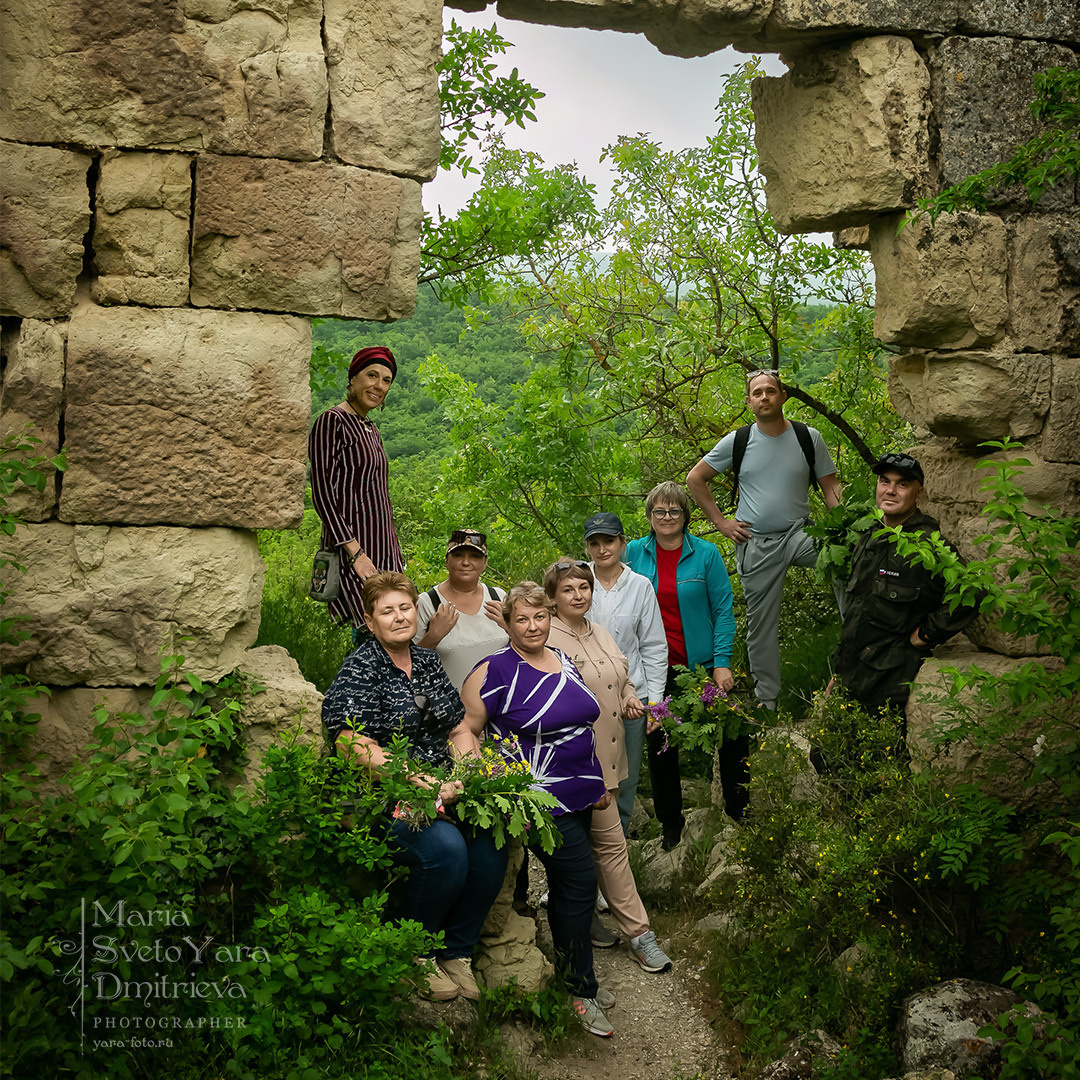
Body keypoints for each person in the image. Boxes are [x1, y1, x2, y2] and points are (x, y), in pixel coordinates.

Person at [321, 572, 508, 1003]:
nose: (399, 617)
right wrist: (414, 780)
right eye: (387, 611)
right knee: (445, 848)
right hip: (386, 794)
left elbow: (459, 727)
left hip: (445, 786)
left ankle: (457, 950)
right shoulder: (361, 668)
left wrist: (468, 773)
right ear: (371, 622)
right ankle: (417, 953)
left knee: (491, 841)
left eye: (405, 607)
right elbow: (352, 743)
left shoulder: (425, 663)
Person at [456, 583, 616, 1037]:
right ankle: (580, 990)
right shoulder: (492, 671)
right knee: (581, 880)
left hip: (580, 790)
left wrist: (598, 781)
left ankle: (573, 971)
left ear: (550, 618)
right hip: (537, 797)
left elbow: (580, 727)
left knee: (573, 889)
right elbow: (465, 731)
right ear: (505, 622)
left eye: (540, 617)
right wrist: (486, 785)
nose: (533, 626)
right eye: (521, 619)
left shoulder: (563, 659)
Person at [545, 558, 673, 975]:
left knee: (598, 849)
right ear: (553, 597)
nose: (579, 595)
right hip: (575, 765)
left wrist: (631, 698)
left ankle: (600, 923)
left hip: (611, 757)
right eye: (568, 589)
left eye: (584, 587)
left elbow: (622, 677)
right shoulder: (548, 638)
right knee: (601, 849)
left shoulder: (600, 632)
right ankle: (639, 933)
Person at [686, 368, 841, 711]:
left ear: (783, 396)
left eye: (771, 391)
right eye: (757, 393)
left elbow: (830, 488)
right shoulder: (738, 441)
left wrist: (847, 526)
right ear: (749, 401)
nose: (765, 397)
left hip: (801, 534)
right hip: (757, 542)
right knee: (761, 627)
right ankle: (767, 701)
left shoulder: (807, 437)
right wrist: (721, 522)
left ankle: (854, 655)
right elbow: (696, 478)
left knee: (847, 561)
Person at [626, 482, 737, 847]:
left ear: (686, 515)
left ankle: (739, 814)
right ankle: (670, 825)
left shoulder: (705, 554)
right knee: (660, 742)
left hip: (701, 667)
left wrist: (722, 663)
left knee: (731, 734)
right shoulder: (633, 553)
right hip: (655, 668)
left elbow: (723, 611)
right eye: (660, 511)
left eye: (674, 510)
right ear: (649, 516)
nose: (667, 517)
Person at [832, 453, 980, 718]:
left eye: (902, 484)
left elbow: (971, 590)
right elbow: (855, 612)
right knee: (826, 757)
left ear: (918, 492)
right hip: (851, 675)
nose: (890, 490)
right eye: (884, 481)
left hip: (889, 682)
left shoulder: (929, 545)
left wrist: (926, 634)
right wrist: (838, 672)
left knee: (879, 757)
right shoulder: (870, 538)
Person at [582, 512, 667, 833]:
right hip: (586, 694)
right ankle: (590, 839)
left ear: (623, 543)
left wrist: (655, 703)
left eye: (609, 541)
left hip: (634, 694)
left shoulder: (640, 586)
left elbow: (654, 646)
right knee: (589, 766)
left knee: (627, 771)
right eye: (595, 543)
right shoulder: (578, 583)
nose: (602, 549)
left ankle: (621, 837)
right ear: (587, 547)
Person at [309, 346, 404, 631]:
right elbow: (323, 495)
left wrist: (394, 553)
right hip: (353, 551)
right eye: (371, 375)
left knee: (396, 630)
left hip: (383, 550)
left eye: (386, 380)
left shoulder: (370, 428)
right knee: (374, 632)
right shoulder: (332, 421)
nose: (379, 385)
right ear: (352, 379)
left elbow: (377, 496)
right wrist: (356, 554)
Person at [414, 529, 508, 690]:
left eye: (474, 556)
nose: (466, 562)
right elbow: (409, 663)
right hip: (450, 709)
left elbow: (525, 649)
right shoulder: (428, 602)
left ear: (485, 563)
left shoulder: (498, 597)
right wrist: (433, 636)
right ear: (447, 561)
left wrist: (510, 628)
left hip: (502, 706)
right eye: (458, 555)